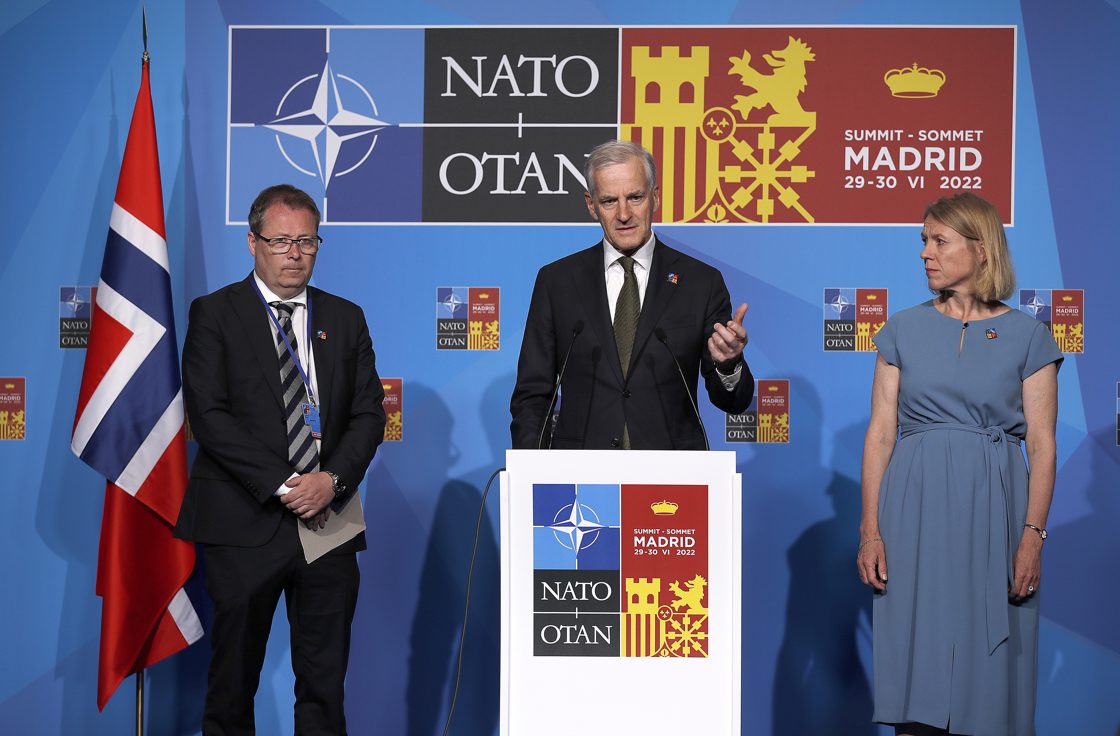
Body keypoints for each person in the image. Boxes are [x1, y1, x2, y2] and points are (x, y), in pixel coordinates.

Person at [175, 184, 385, 734]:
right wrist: (288, 483)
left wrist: (331, 480)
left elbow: (369, 415)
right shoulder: (214, 314)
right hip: (244, 523)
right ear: (253, 243)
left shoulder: (345, 318)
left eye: (307, 241)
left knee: (324, 686)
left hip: (328, 522)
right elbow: (209, 415)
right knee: (233, 683)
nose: (295, 254)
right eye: (281, 241)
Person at [858, 192, 1060, 735]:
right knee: (916, 654)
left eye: (939, 241)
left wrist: (1032, 537)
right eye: (924, 240)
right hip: (914, 510)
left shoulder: (1030, 336)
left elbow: (1042, 445)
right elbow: (880, 434)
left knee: (990, 668)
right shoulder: (901, 329)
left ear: (981, 248)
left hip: (995, 509)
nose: (925, 252)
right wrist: (871, 530)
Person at [510, 139, 753, 450]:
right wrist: (531, 467)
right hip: (582, 470)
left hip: (672, 470)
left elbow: (733, 401)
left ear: (655, 197)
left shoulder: (701, 282)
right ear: (591, 205)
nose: (623, 214)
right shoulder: (557, 282)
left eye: (635, 197)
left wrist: (729, 364)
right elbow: (532, 395)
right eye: (609, 201)